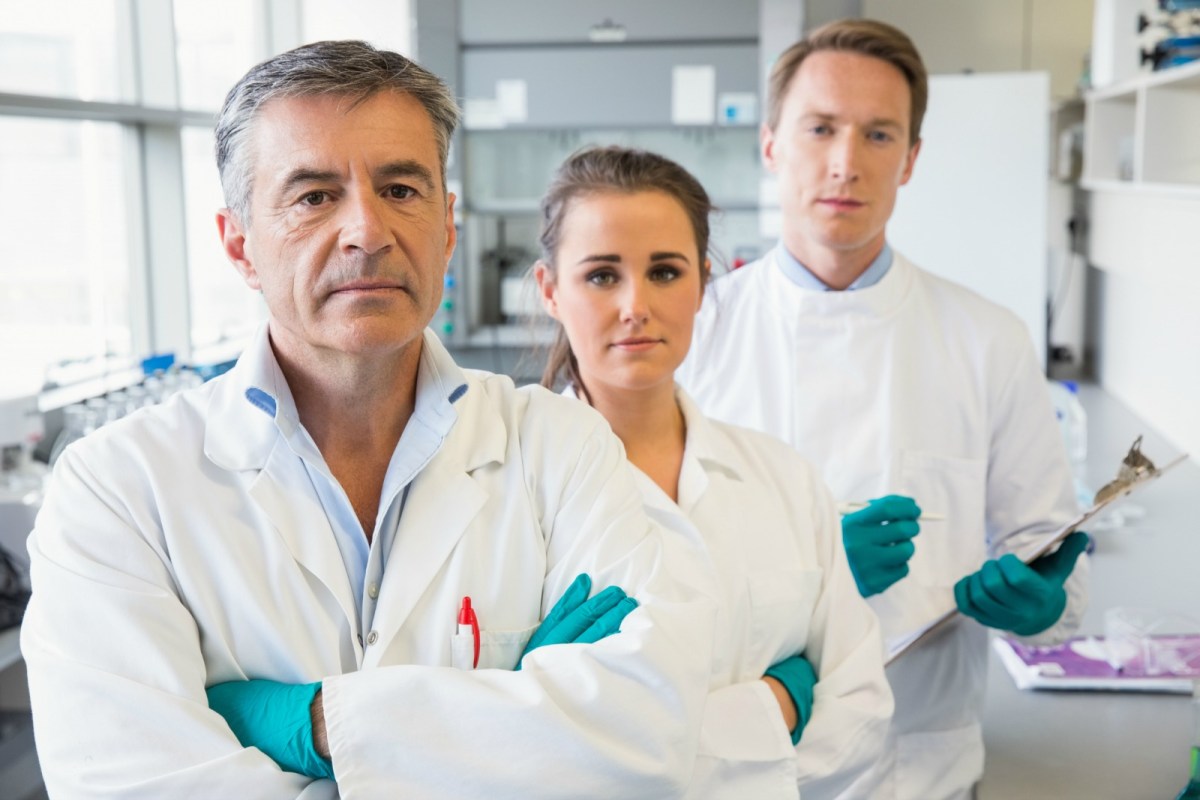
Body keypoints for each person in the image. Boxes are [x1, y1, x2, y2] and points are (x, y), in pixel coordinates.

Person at [21, 41, 718, 799]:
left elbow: (647, 741)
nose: (368, 231)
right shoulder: (118, 489)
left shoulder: (561, 448)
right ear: (239, 245)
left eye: (401, 189)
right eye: (314, 196)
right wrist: (518, 714)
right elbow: (130, 783)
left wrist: (318, 726)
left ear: (447, 228)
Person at [676, 19, 1090, 800]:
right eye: (820, 128)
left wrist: (1042, 605)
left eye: (878, 134)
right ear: (771, 145)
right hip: (730, 764)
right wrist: (812, 579)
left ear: (910, 159)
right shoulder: (693, 334)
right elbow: (634, 570)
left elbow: (1050, 560)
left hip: (921, 767)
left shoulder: (986, 339)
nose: (846, 162)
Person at [532, 145, 892, 799]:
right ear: (550, 290)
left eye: (665, 272)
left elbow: (860, 717)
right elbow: (511, 754)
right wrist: (766, 715)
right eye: (602, 276)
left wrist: (626, 749)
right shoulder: (504, 492)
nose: (635, 305)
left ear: (702, 283)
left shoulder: (783, 479)